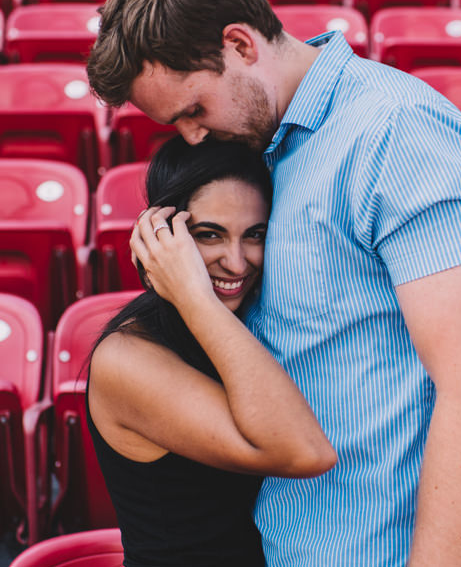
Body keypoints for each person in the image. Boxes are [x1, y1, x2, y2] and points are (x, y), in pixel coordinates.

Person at [87, 0, 461, 567]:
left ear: (239, 45)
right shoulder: (269, 149)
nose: (191, 138)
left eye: (193, 110)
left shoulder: (396, 130)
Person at [85, 136, 337, 567]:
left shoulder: (258, 323)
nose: (237, 263)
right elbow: (305, 452)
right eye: (209, 235)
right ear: (161, 237)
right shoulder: (126, 358)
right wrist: (194, 296)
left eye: (255, 235)